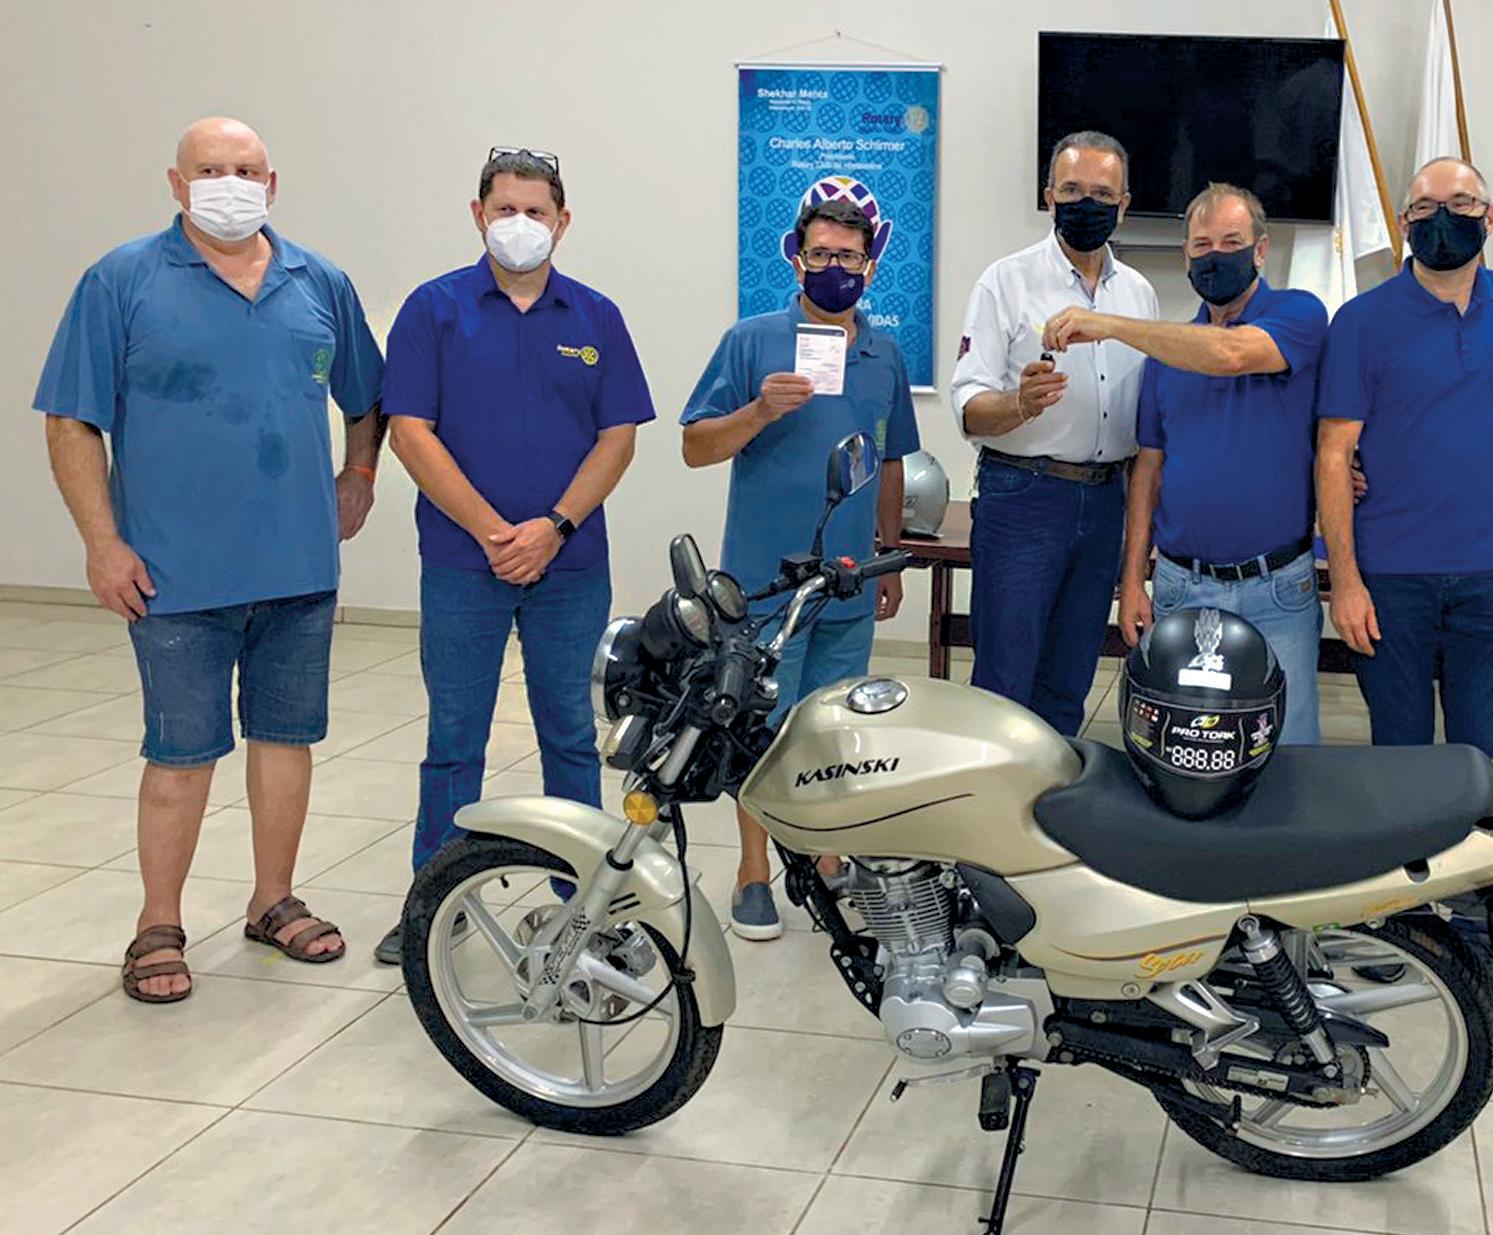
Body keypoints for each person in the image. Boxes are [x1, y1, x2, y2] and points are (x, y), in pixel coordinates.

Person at [33, 117, 384, 1002]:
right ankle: (158, 922)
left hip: (299, 569)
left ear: (273, 183)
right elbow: (71, 419)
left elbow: (368, 397)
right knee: (181, 753)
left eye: (246, 170)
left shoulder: (319, 282)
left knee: (287, 741)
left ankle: (273, 899)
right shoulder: (121, 281)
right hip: (174, 573)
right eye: (211, 169)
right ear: (176, 182)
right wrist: (102, 541)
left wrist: (359, 473)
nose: (230, 183)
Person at [376, 148, 656, 963]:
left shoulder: (595, 317)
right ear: (478, 215)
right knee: (453, 737)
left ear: (562, 222)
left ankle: (586, 905)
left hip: (569, 566)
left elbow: (617, 437)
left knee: (570, 732)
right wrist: (494, 532)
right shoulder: (432, 310)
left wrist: (552, 528)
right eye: (505, 209)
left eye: (536, 212)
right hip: (463, 564)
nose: (520, 225)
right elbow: (409, 432)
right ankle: (435, 901)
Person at [682, 196, 918, 940]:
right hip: (762, 586)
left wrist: (887, 559)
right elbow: (694, 446)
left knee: (833, 730)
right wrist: (758, 411)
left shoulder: (884, 355)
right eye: (820, 254)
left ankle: (823, 858)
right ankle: (754, 870)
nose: (833, 268)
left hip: (848, 581)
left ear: (869, 266)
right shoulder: (751, 341)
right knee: (760, 728)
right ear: (797, 259)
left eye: (847, 257)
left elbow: (890, 461)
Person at [1043, 182, 1327, 744]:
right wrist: (1133, 580)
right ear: (1186, 255)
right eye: (1202, 245)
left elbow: (1231, 354)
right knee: (1180, 746)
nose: (1215, 256)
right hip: (1181, 586)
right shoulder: (1166, 356)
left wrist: (1109, 325)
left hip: (1276, 588)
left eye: (1231, 242)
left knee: (1288, 749)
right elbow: (1147, 472)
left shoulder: (1300, 314)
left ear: (1261, 250)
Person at [1316, 157, 1493, 756]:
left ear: (1490, 217)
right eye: (1426, 208)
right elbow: (1334, 454)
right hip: (1392, 577)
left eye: (1460, 205)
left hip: (1491, 573)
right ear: (1404, 223)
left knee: (1483, 754)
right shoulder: (1361, 321)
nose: (1443, 218)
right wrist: (1346, 582)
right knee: (1401, 755)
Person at [951, 131, 1156, 736]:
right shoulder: (1005, 281)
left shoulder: (1138, 294)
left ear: (1124, 205)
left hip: (1106, 498)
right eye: (1072, 190)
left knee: (1071, 676)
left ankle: (1054, 788)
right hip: (1025, 495)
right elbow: (969, 409)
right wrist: (1018, 404)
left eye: (1103, 194)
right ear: (1049, 197)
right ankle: (996, 793)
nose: (1087, 203)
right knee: (1005, 679)